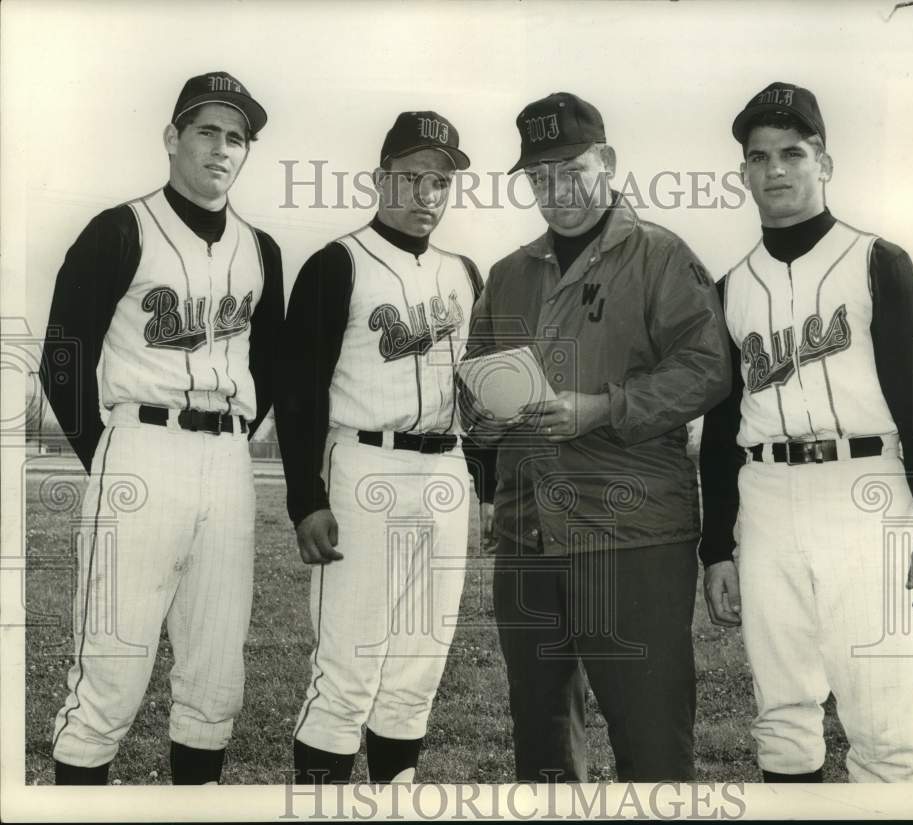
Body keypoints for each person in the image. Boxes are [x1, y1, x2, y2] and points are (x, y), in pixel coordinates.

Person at [699, 82, 913, 782]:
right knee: (782, 718)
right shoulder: (730, 287)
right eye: (759, 157)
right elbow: (722, 430)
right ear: (744, 173)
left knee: (886, 719)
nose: (776, 170)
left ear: (825, 162)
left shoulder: (879, 260)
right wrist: (714, 546)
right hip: (765, 498)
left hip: (864, 490)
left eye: (793, 152)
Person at [464, 92, 731, 781]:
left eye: (571, 170)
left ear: (607, 162)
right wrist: (486, 421)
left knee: (650, 741)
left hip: (632, 532)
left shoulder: (662, 257)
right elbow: (476, 391)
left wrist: (600, 408)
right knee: (544, 743)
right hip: (529, 537)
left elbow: (708, 370)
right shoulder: (507, 274)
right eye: (539, 178)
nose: (556, 191)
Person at [39, 71, 283, 784]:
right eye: (206, 130)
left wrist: (233, 433)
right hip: (139, 444)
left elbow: (267, 361)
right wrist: (110, 452)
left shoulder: (262, 248)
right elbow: (63, 356)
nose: (221, 148)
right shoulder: (120, 228)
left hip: (228, 460)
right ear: (172, 138)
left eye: (236, 136)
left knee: (215, 682)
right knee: (108, 679)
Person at [275, 110, 493, 784]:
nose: (428, 194)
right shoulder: (336, 263)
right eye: (414, 178)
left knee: (417, 669)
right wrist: (305, 499)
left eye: (441, 182)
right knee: (347, 672)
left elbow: (478, 394)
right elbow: (298, 392)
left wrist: (485, 488)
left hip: (446, 470)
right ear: (380, 179)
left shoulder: (464, 272)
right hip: (364, 461)